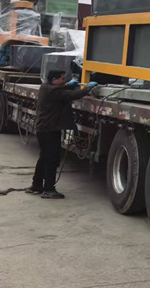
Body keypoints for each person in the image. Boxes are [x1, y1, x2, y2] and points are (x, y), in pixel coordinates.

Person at [26, 70, 97, 199]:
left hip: (45, 129)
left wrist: (69, 85)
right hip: (49, 130)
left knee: (44, 158)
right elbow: (71, 95)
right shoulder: (52, 91)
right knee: (52, 160)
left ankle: (37, 185)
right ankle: (48, 189)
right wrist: (88, 88)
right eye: (62, 79)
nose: (64, 81)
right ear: (54, 79)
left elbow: (61, 89)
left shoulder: (46, 87)